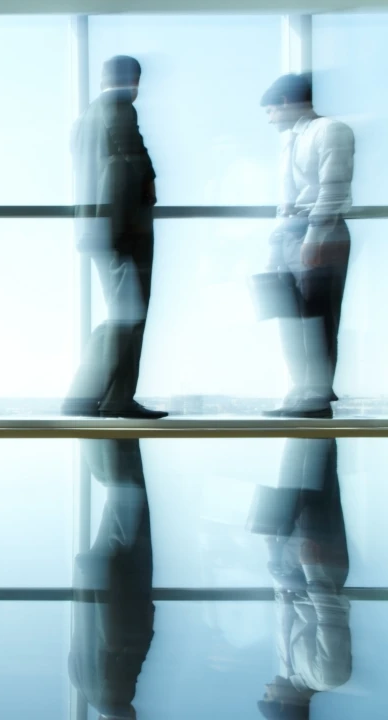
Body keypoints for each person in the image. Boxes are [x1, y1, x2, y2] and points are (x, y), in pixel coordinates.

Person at [63, 56, 166, 420]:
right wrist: (151, 180)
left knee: (122, 311)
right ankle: (108, 396)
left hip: (95, 228)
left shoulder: (83, 119)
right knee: (131, 313)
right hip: (124, 229)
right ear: (133, 80)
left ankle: (97, 396)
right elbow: (131, 150)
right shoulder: (119, 106)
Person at [257, 74, 355, 419]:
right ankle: (301, 390)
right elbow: (285, 199)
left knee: (318, 316)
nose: (269, 119)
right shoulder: (291, 139)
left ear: (285, 103)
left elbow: (332, 189)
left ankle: (316, 395)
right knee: (290, 315)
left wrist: (315, 238)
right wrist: (274, 245)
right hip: (288, 232)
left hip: (320, 232)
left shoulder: (329, 131)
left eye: (270, 111)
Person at [249, 439, 352, 720]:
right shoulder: (327, 678)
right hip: (319, 567)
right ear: (284, 705)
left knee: (290, 472)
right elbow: (332, 618)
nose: (266, 687)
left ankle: (299, 417)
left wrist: (273, 553)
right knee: (319, 476)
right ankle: (316, 413)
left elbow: (283, 608)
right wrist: (313, 569)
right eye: (268, 695)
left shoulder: (287, 670)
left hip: (289, 567)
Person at [69, 439, 154, 720]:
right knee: (118, 493)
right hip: (99, 575)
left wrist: (148, 620)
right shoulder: (81, 684)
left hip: (121, 574)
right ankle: (94, 426)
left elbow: (116, 641)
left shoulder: (117, 697)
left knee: (127, 489)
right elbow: (83, 634)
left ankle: (107, 419)